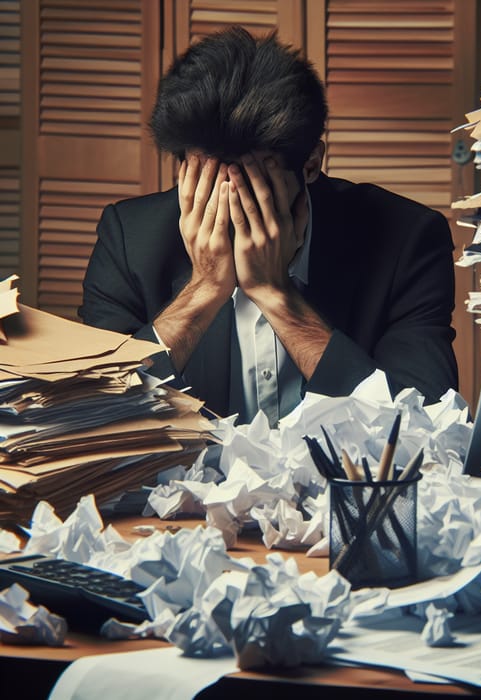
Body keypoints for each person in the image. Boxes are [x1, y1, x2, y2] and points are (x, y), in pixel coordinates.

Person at [79, 25, 459, 426]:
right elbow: (89, 414)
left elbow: (425, 423)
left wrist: (277, 295)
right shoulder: (128, 239)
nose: (229, 214)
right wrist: (203, 288)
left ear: (311, 164)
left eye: (253, 191)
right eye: (209, 188)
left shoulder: (407, 239)